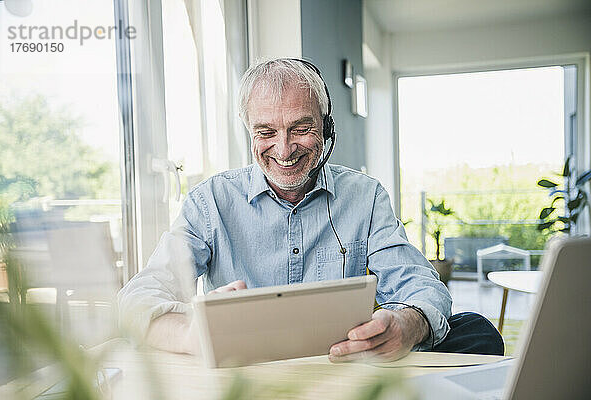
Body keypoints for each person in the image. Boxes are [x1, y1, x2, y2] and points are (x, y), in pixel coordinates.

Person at [118, 58, 503, 361]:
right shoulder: (210, 201)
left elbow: (419, 283)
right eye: (266, 132)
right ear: (249, 132)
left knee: (477, 331)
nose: (284, 150)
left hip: (340, 360)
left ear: (326, 127)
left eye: (301, 128)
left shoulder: (365, 196)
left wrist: (406, 323)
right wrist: (193, 333)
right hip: (248, 370)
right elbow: (138, 298)